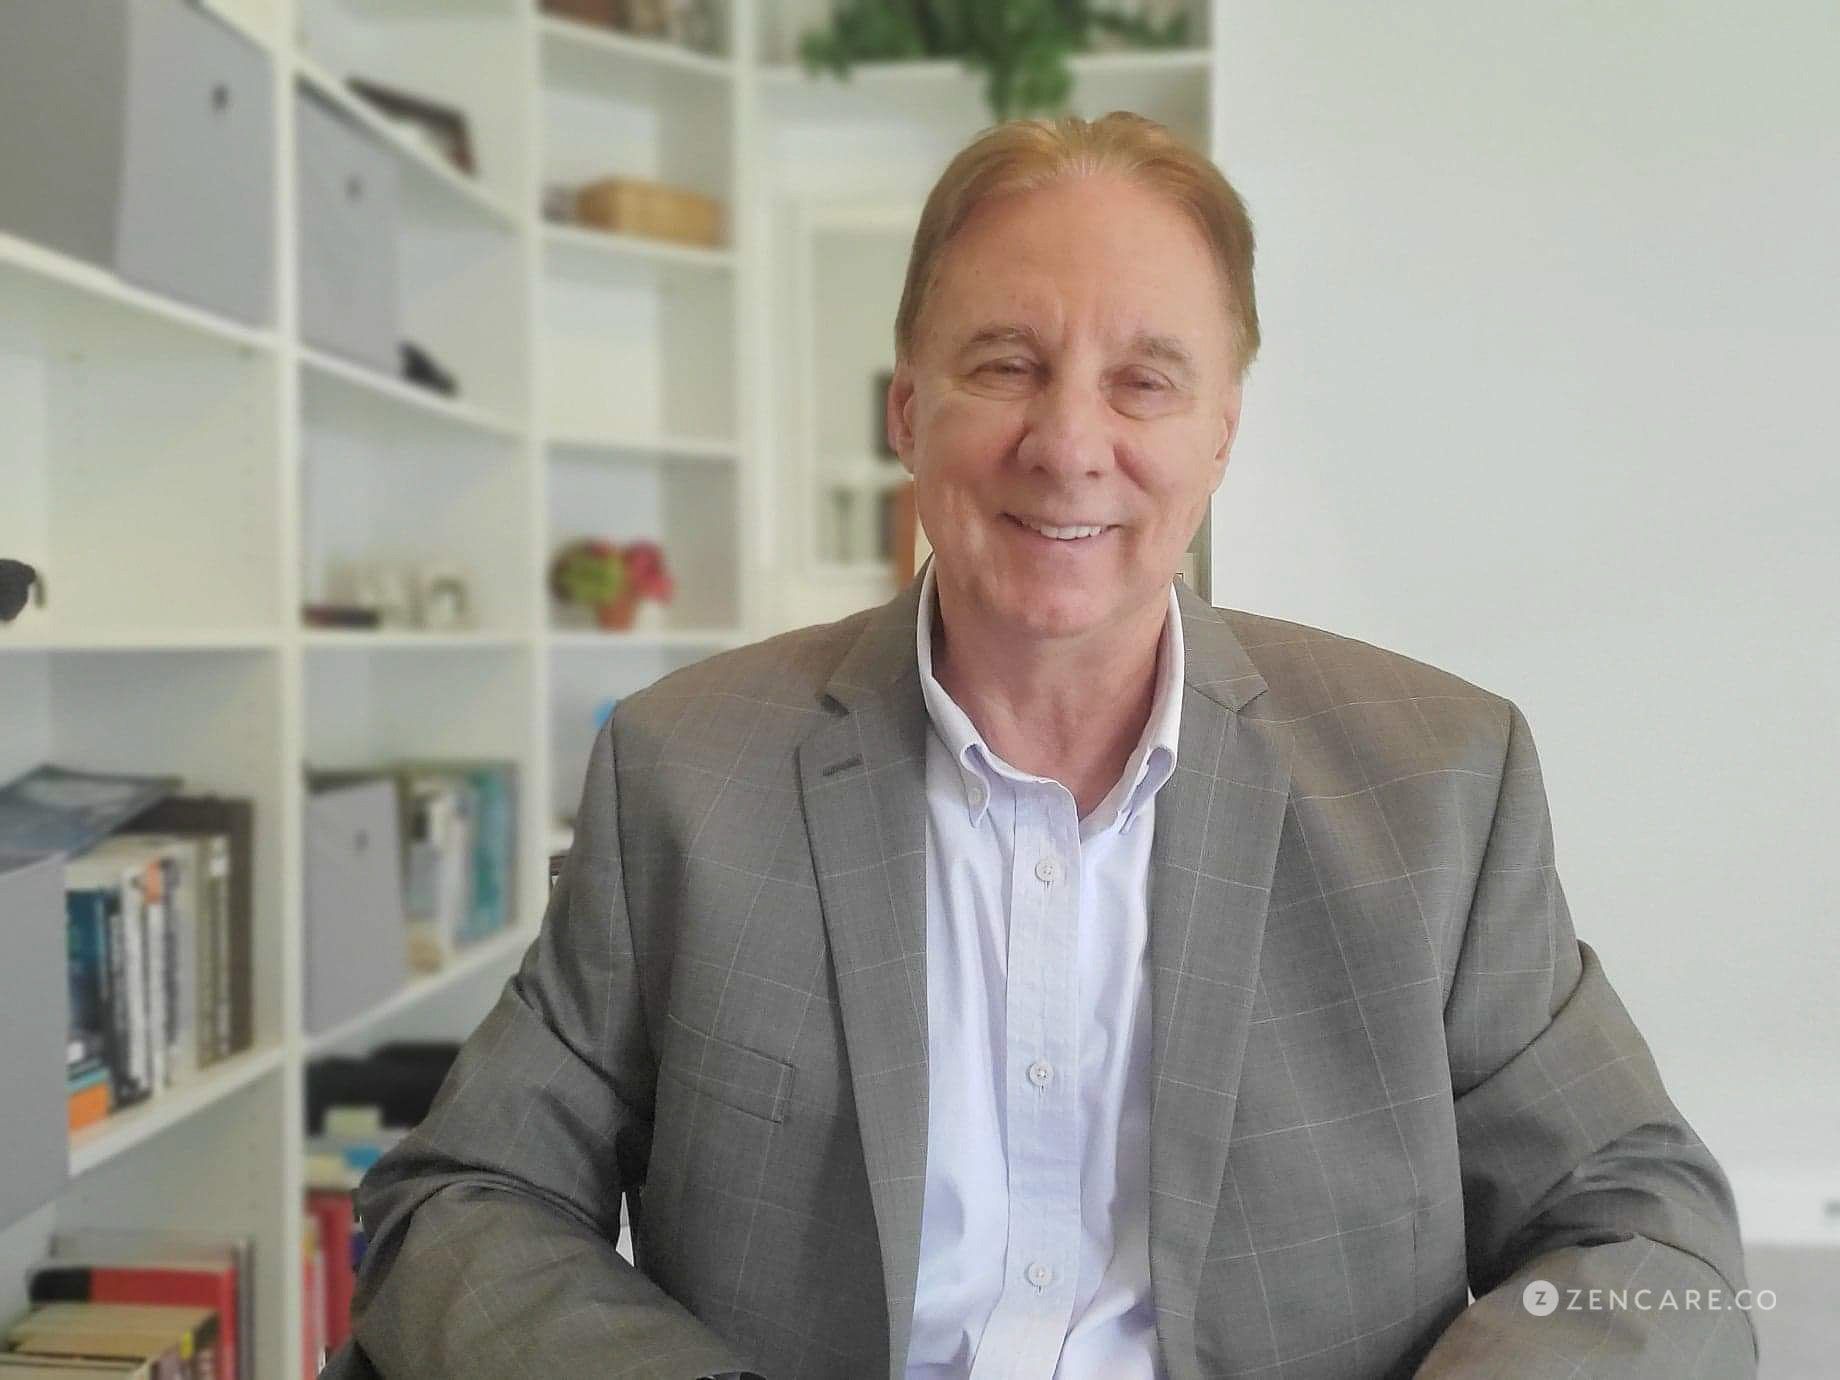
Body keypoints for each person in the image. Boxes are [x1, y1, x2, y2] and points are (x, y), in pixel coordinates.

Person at [320, 113, 1754, 1380]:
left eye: (1145, 382)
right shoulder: (686, 775)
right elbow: (457, 1204)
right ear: (907, 411)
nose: (1069, 445)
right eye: (1006, 363)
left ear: (1221, 437)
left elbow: (1657, 1237)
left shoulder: (1442, 779)